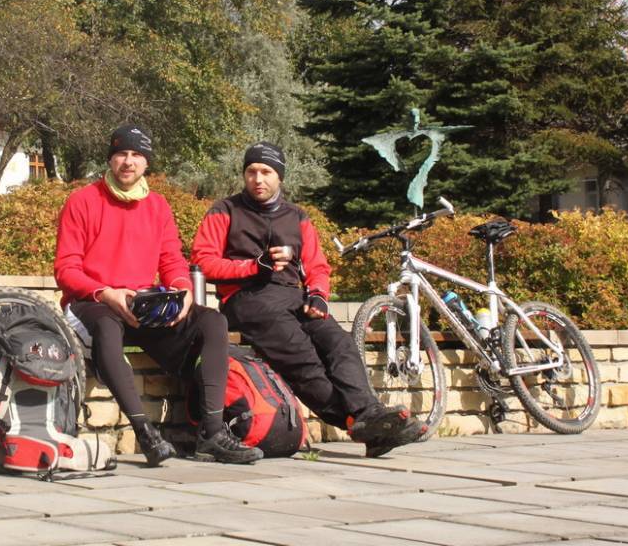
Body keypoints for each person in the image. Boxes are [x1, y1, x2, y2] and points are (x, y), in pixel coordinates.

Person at [191, 141, 424, 457]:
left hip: (295, 297)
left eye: (266, 172)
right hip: (246, 299)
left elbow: (317, 266)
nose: (258, 179)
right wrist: (253, 266)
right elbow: (203, 261)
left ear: (280, 177)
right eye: (251, 172)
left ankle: (369, 416)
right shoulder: (225, 210)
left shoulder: (297, 216)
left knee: (340, 343)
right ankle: (357, 422)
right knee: (303, 357)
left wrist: (319, 295)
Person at [55, 124, 262, 466]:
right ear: (110, 158)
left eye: (137, 155)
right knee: (106, 326)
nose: (128, 161)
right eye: (121, 153)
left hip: (143, 304)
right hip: (92, 302)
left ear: (146, 162)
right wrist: (106, 293)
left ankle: (212, 434)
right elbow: (66, 270)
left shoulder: (158, 206)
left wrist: (182, 290)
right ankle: (145, 433)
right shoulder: (82, 201)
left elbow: (171, 260)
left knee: (212, 321)